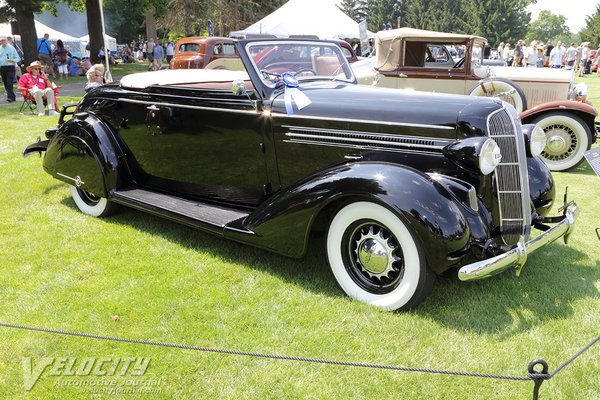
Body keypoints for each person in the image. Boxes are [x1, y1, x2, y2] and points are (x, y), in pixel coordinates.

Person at [0, 36, 20, 102]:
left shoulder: (11, 48)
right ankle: (12, 96)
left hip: (10, 67)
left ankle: (10, 97)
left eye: (4, 40)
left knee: (9, 82)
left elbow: (18, 58)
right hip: (2, 68)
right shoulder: (0, 48)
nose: (2, 42)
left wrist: (13, 60)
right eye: (1, 41)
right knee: (5, 83)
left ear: (6, 40)